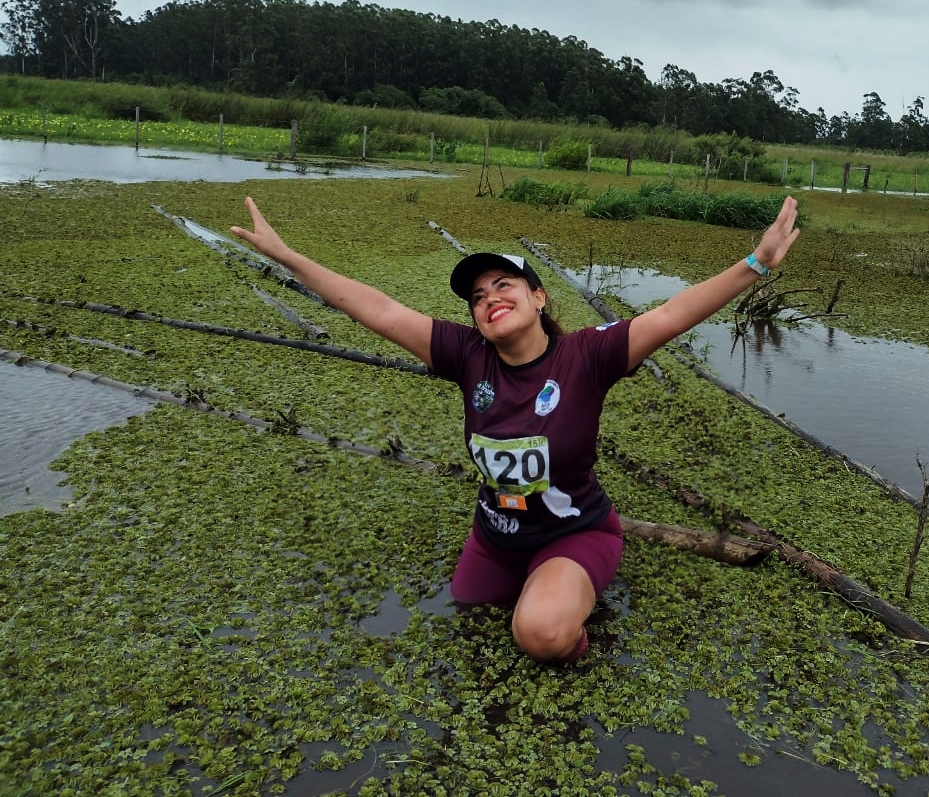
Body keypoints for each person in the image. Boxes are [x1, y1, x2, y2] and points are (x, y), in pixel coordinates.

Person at [230, 194, 800, 663]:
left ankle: (582, 628)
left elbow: (673, 314)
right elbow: (376, 309)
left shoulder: (587, 356)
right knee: (469, 612)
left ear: (537, 294)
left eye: (504, 285)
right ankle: (536, 585)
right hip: (496, 537)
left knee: (540, 636)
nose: (490, 299)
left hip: (575, 533)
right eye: (478, 296)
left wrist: (756, 262)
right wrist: (288, 257)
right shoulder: (465, 354)